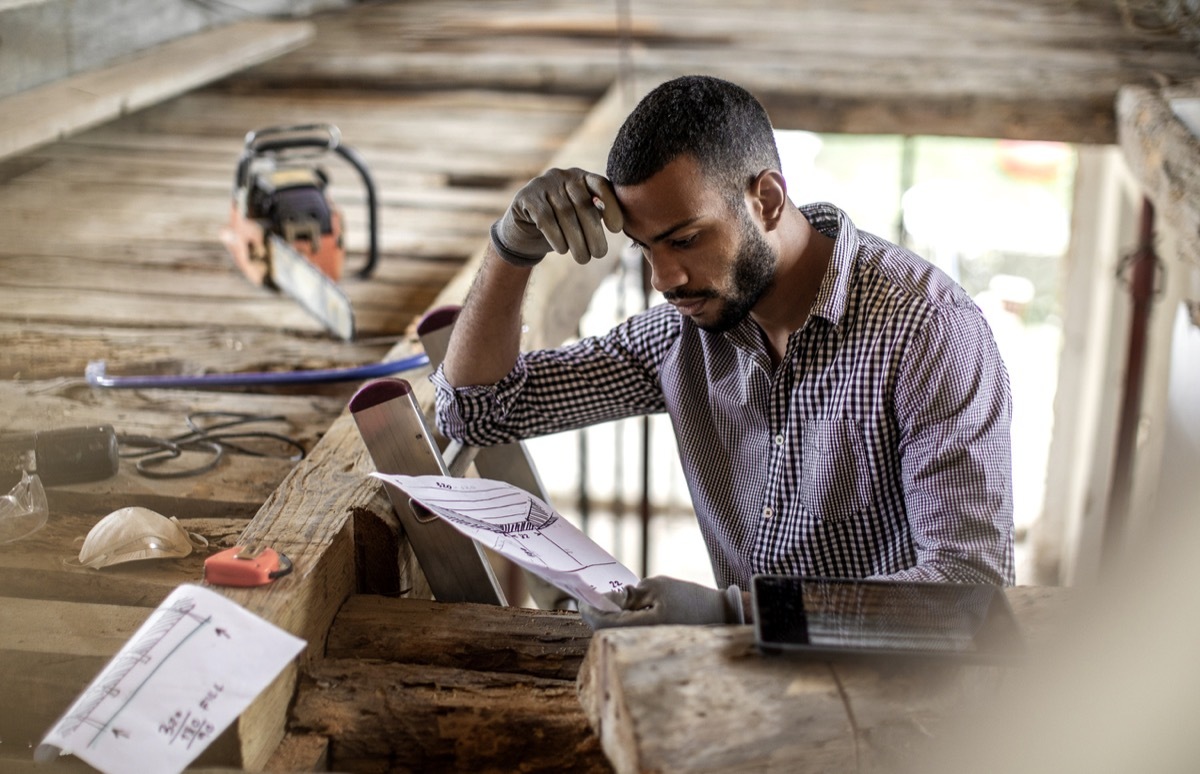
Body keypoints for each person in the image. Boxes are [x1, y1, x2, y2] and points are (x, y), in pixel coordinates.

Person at [432, 74, 1014, 629]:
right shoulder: (687, 335)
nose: (663, 278)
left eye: (685, 239)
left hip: (903, 715)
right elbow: (477, 412)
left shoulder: (928, 335)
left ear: (766, 199)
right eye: (644, 247)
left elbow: (968, 598)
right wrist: (513, 247)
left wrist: (732, 616)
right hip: (744, 697)